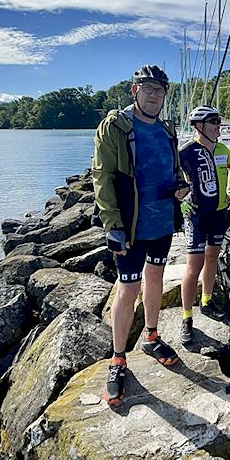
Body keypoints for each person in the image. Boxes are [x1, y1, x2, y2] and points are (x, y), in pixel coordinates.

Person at [92, 65, 189, 405]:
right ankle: (118, 358)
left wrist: (180, 188)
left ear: (165, 95)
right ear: (134, 91)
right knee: (128, 286)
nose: (153, 94)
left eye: (159, 90)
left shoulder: (166, 130)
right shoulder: (116, 126)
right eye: (147, 88)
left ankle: (151, 335)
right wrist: (112, 225)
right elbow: (102, 177)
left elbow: (173, 170)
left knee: (156, 278)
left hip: (161, 221)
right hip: (130, 227)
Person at [177, 105, 230, 344]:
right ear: (199, 126)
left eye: (218, 120)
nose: (218, 125)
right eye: (214, 121)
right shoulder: (187, 151)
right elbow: (169, 176)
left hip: (219, 214)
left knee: (212, 257)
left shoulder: (223, 149)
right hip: (196, 216)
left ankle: (206, 300)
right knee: (194, 265)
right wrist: (180, 201)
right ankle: (186, 317)